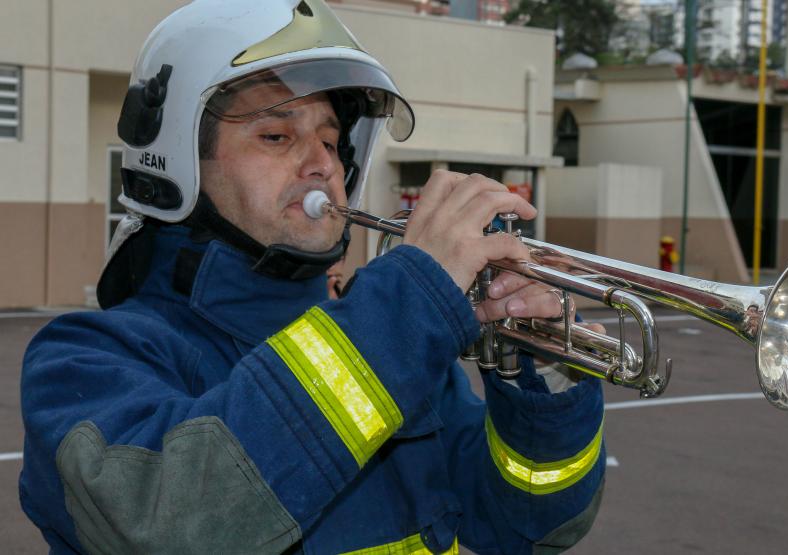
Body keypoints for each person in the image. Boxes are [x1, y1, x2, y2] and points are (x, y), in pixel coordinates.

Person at [19, 1, 606, 553]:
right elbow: (171, 526)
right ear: (178, 161)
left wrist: (543, 375)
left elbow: (530, 527)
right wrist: (409, 302)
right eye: (277, 136)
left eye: (330, 141)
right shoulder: (83, 361)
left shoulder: (400, 351)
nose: (323, 163)